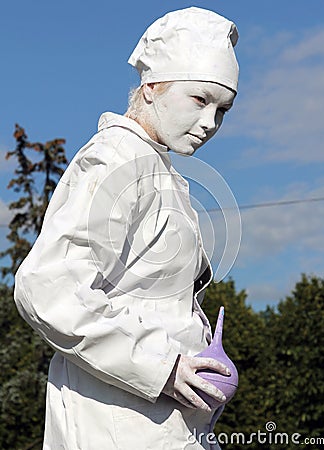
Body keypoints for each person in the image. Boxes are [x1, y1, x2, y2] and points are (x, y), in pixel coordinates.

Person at [14, 6, 239, 450]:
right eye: (199, 99)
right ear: (152, 86)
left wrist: (194, 352)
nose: (210, 122)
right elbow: (45, 288)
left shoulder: (154, 168)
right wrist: (163, 366)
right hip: (119, 429)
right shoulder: (119, 158)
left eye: (223, 108)